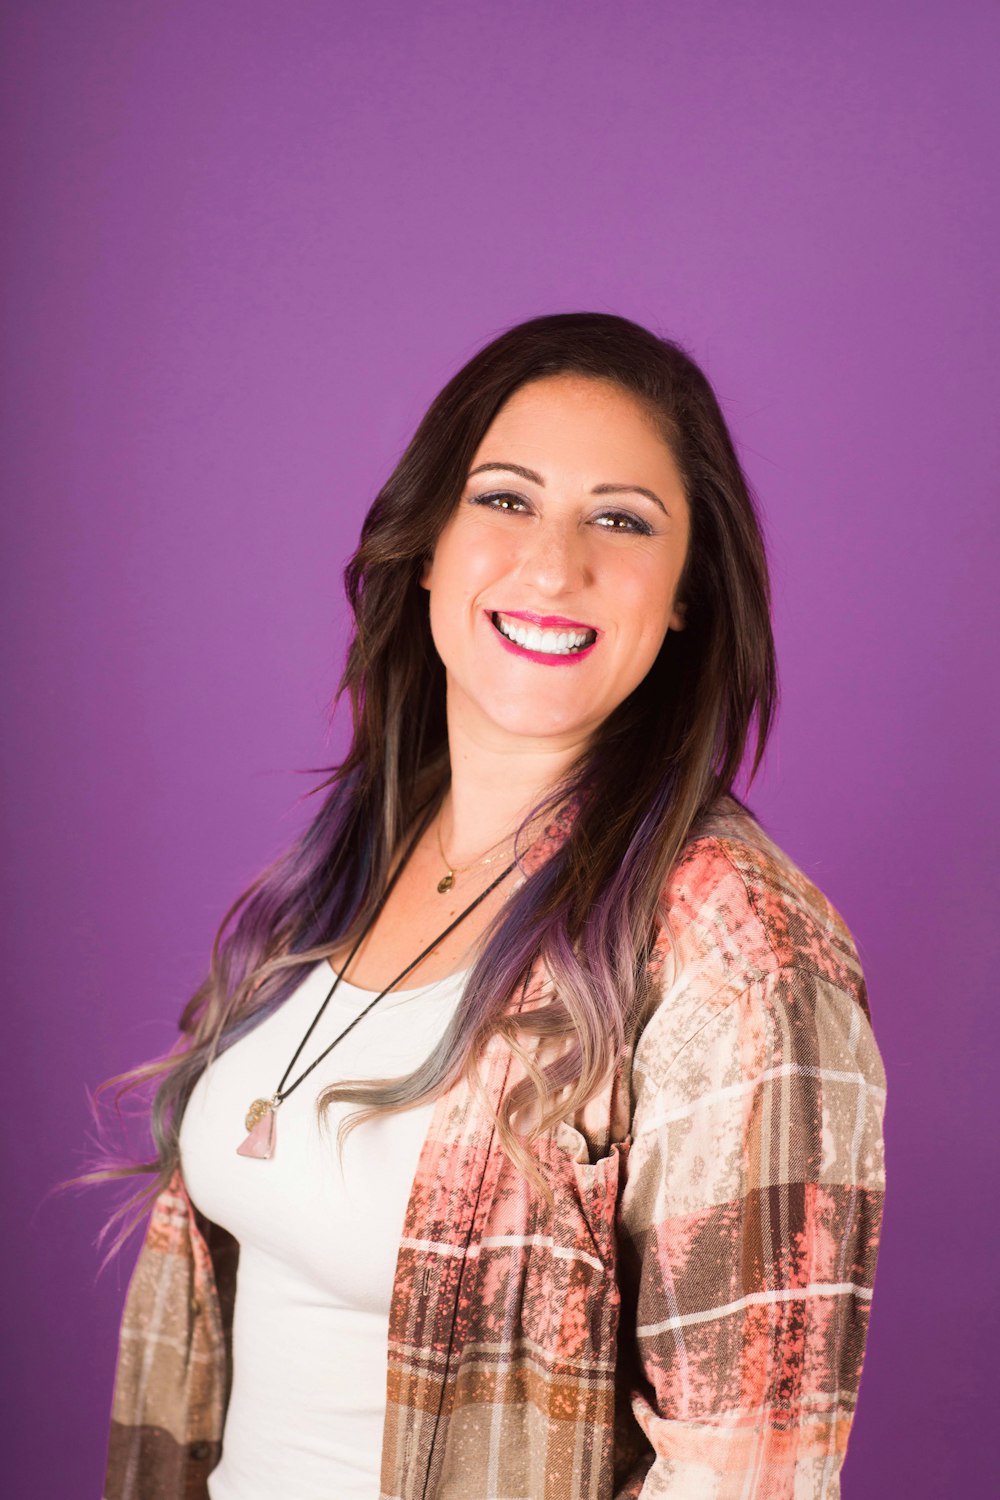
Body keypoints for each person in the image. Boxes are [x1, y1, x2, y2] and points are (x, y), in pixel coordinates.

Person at [98, 311, 886, 1500]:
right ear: (426, 547)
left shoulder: (736, 943)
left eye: (621, 521)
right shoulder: (350, 865)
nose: (554, 563)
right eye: (505, 499)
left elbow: (750, 1479)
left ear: (683, 598)